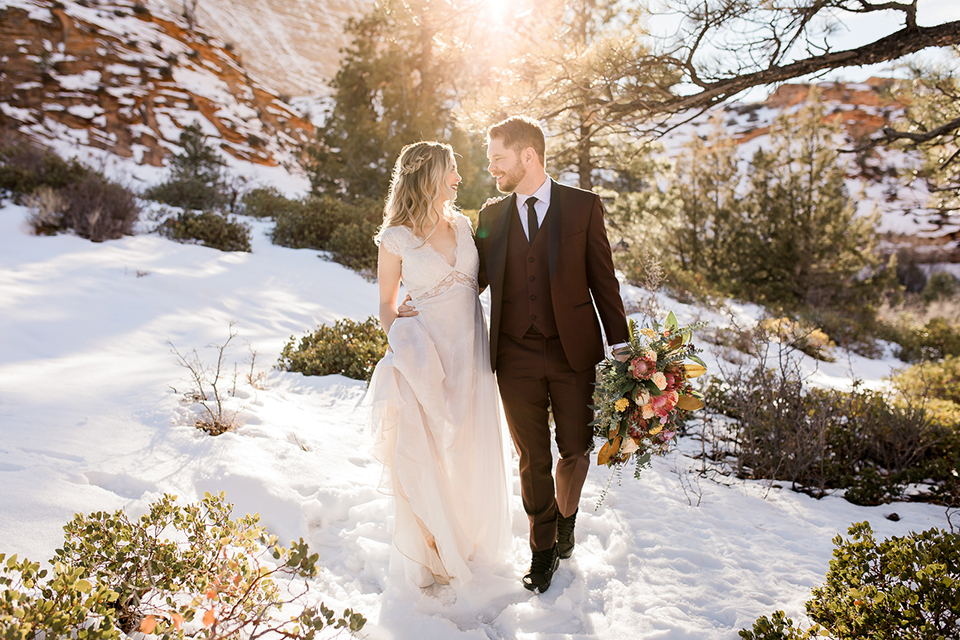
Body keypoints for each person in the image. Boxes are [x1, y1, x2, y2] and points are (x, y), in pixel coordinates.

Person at [475, 116, 630, 593]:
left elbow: (603, 278)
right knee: (531, 459)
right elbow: (470, 279)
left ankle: (567, 519)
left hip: (573, 352)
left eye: (498, 157)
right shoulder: (492, 215)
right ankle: (542, 551)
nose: (492, 168)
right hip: (514, 354)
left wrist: (621, 343)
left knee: (575, 450)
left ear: (528, 155)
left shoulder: (583, 208)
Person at [367, 141, 512, 588]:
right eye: (451, 170)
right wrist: (403, 339)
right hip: (424, 354)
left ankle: (466, 534)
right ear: (429, 174)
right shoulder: (396, 238)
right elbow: (386, 306)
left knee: (469, 446)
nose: (459, 178)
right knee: (425, 448)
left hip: (471, 350)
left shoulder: (466, 225)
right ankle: (435, 548)